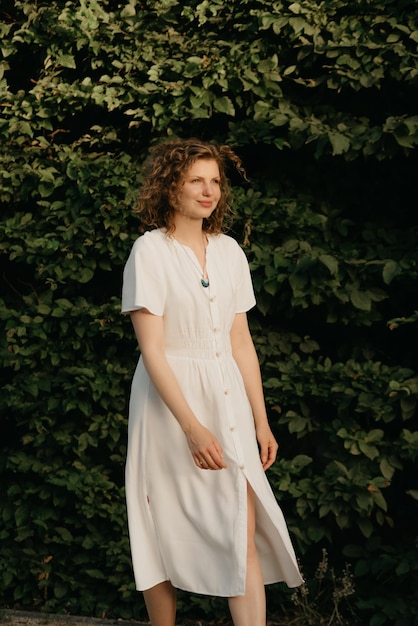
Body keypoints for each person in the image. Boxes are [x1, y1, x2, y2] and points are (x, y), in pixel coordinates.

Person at [121, 138, 303, 626]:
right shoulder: (149, 252)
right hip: (168, 406)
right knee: (159, 526)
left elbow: (241, 342)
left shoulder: (230, 253)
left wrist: (260, 422)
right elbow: (153, 349)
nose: (209, 191)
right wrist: (192, 427)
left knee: (240, 526)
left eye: (216, 182)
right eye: (196, 180)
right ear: (170, 187)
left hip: (228, 401)